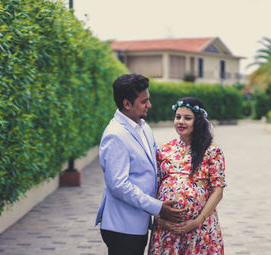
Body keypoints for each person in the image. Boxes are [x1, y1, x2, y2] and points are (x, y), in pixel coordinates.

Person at [96, 74, 185, 255]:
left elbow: (155, 164)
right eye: (144, 101)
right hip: (123, 227)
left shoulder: (143, 126)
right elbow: (119, 185)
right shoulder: (115, 135)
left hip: (139, 223)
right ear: (127, 104)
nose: (149, 105)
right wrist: (158, 207)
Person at [149, 97, 226, 255]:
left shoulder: (212, 151)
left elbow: (218, 191)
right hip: (167, 230)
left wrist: (197, 221)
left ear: (198, 121)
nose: (180, 122)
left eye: (187, 118)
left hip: (200, 230)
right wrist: (159, 219)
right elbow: (154, 187)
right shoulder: (164, 150)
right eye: (178, 117)